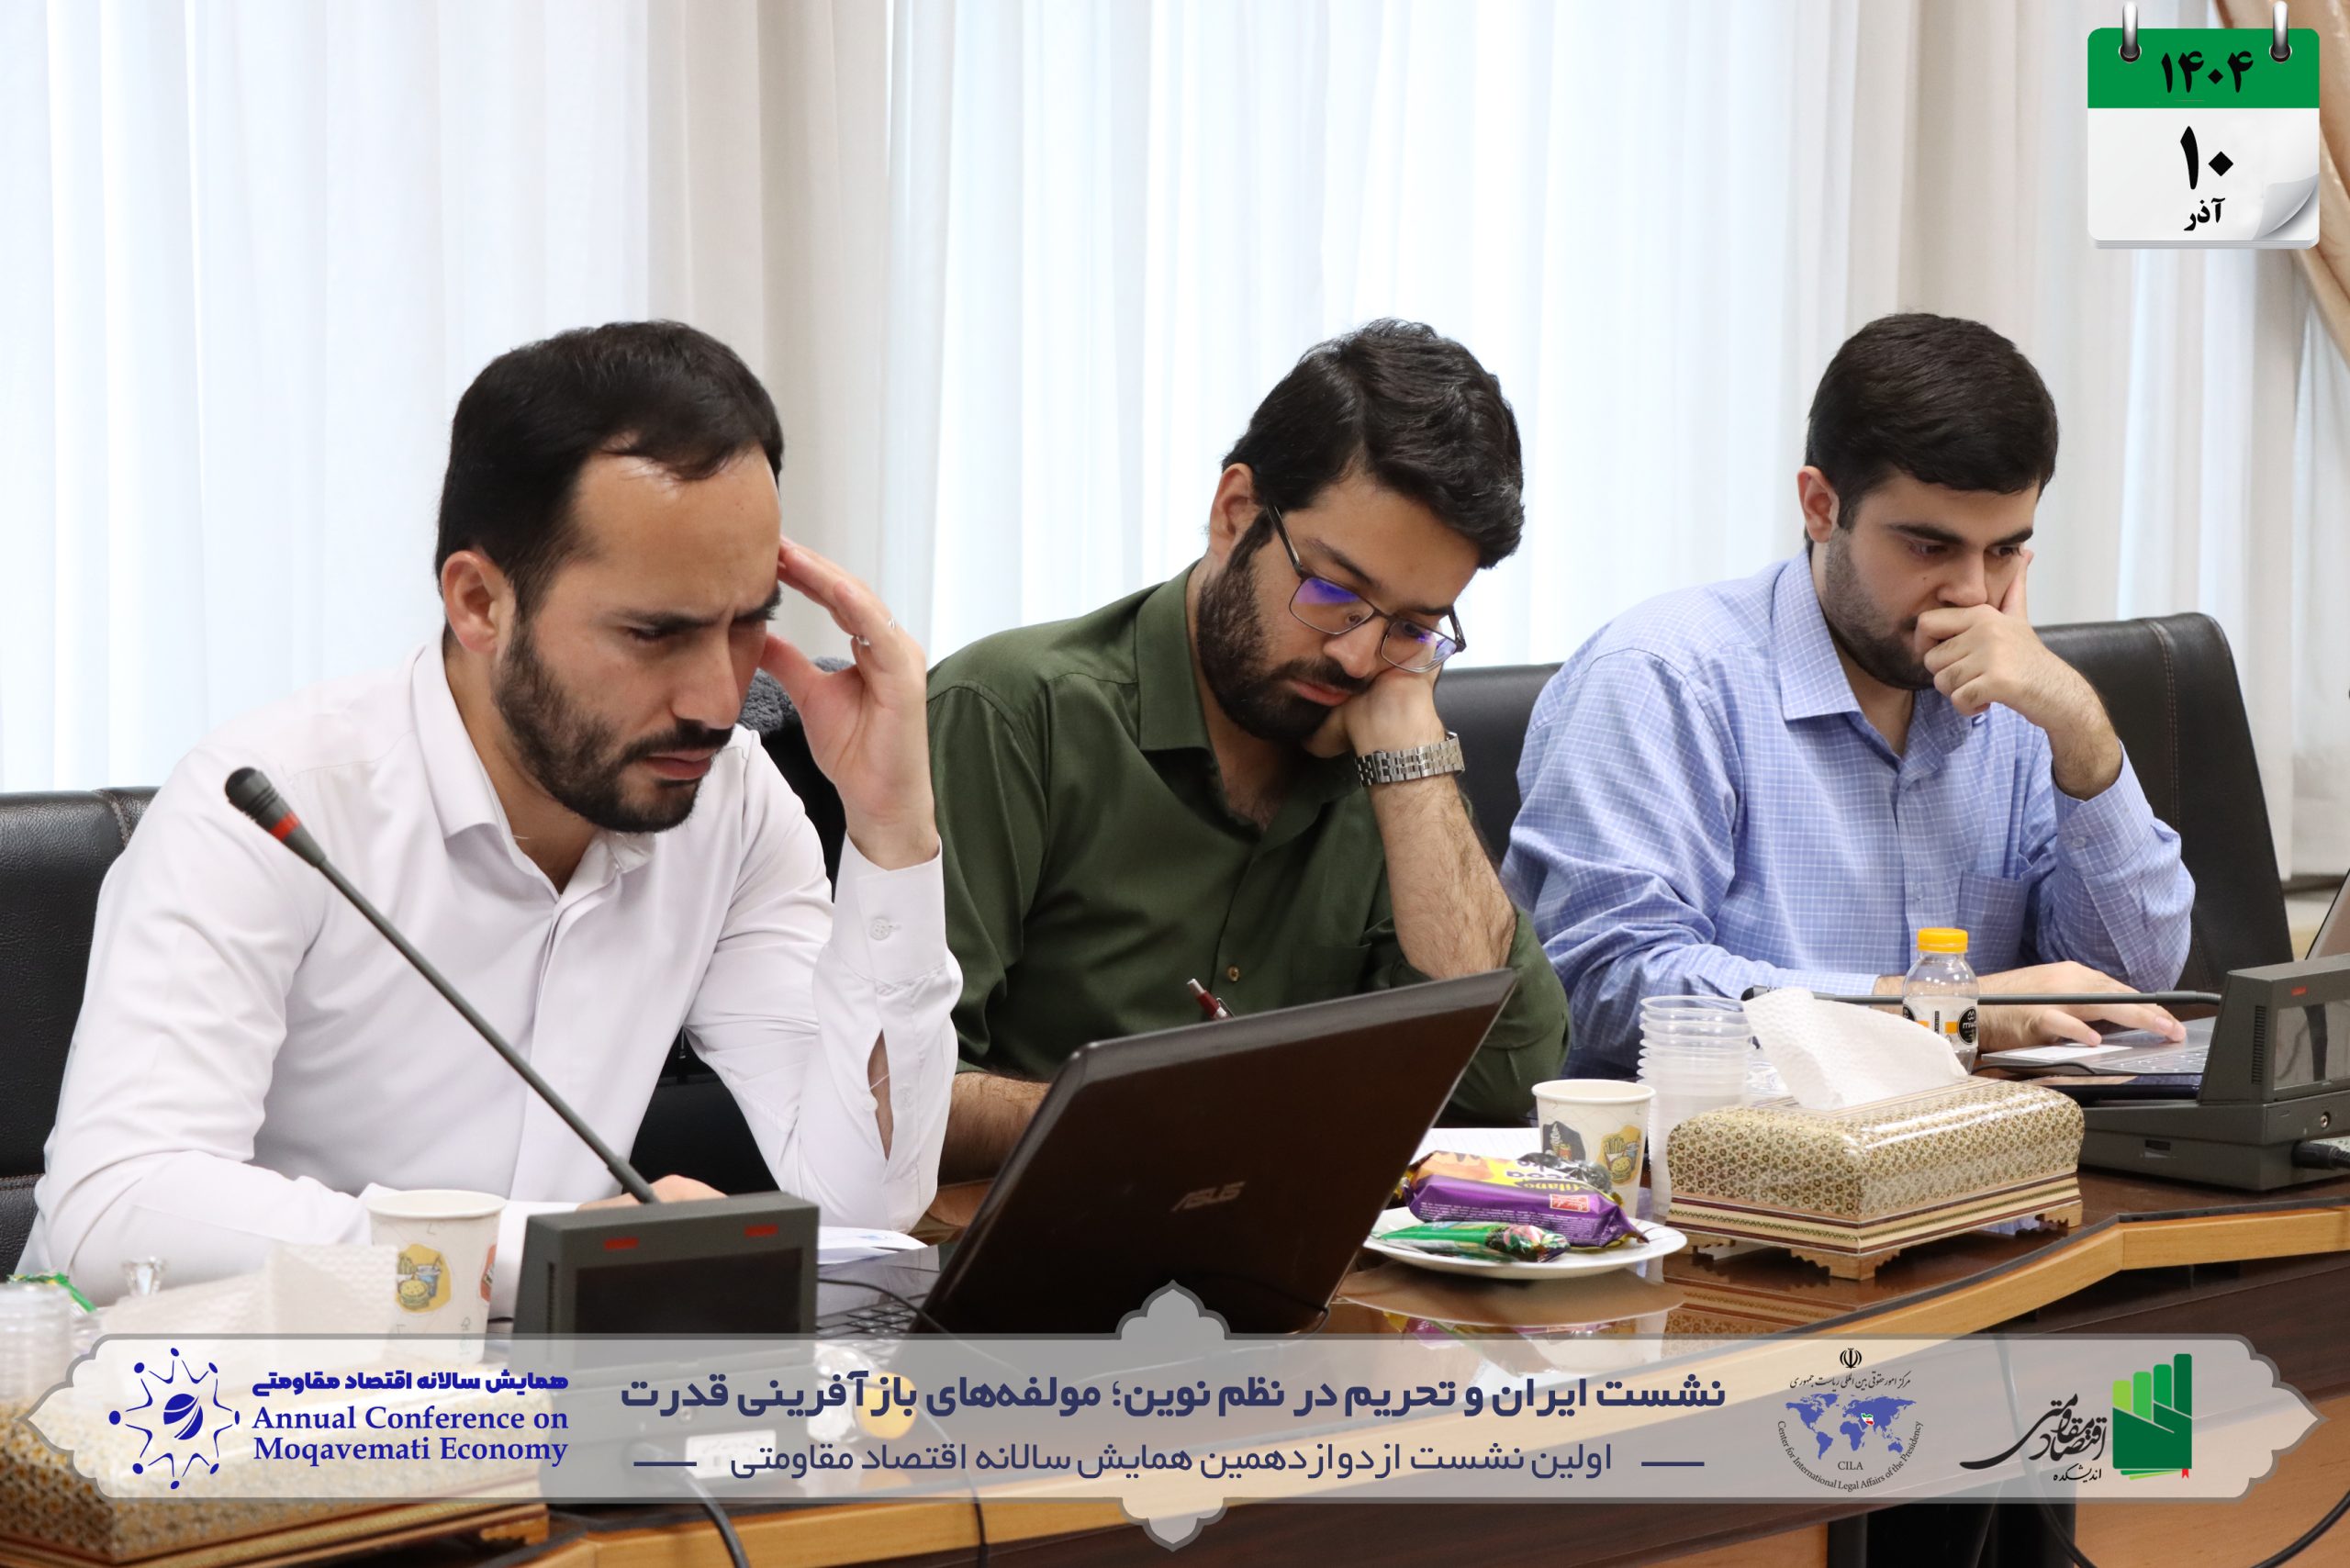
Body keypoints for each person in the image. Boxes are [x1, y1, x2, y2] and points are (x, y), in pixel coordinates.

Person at [28, 321, 957, 1306]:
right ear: (479, 603)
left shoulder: (727, 800)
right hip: (202, 1388)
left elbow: (866, 1200)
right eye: (654, 633)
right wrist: (544, 1254)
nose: (719, 702)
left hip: (520, 1387)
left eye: (748, 623)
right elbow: (113, 1213)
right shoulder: (270, 804)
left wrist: (891, 828)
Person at [930, 320, 1569, 1177]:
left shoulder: (1382, 738)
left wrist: (1411, 749)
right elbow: (898, 1098)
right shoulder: (1013, 714)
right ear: (1236, 513)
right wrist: (1181, 1121)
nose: (1358, 656)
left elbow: (1506, 1080)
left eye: (1412, 626)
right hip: (1035, 1242)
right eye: (1335, 592)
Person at [1504, 313, 2195, 1078]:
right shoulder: (1663, 678)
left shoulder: (2014, 696)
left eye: (2004, 550)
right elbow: (1606, 986)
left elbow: (2129, 987)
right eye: (1929, 546)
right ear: (1821, 507)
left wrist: (2079, 727)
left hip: (1973, 1148)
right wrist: (1942, 1013)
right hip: (1716, 1151)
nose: (1972, 593)